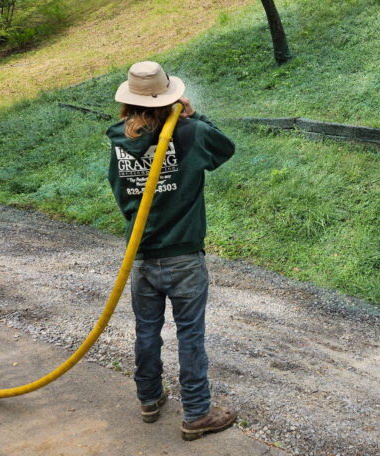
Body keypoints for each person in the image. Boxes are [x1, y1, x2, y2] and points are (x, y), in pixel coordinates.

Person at [106, 61, 236, 441]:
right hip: (184, 257)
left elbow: (119, 192)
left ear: (130, 101)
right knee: (190, 335)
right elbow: (225, 148)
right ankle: (196, 413)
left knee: (146, 331)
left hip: (141, 256)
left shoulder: (119, 141)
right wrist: (195, 116)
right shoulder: (191, 132)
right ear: (171, 98)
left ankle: (149, 399)